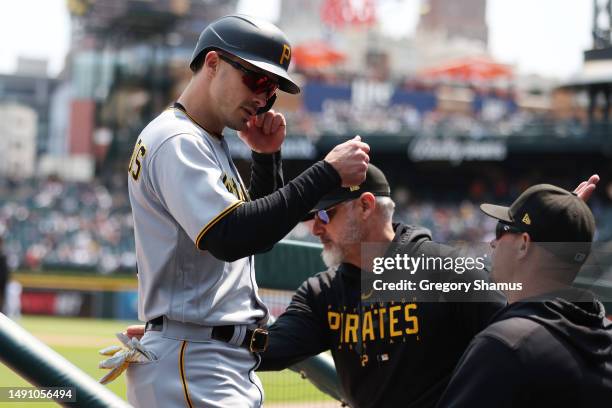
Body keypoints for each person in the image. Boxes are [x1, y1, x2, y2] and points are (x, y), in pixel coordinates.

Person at [125, 14, 369, 408]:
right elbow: (232, 237)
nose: (263, 98)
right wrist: (326, 173)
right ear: (213, 62)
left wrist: (266, 160)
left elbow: (255, 233)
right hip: (193, 361)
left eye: (272, 90)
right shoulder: (177, 139)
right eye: (256, 80)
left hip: (205, 355)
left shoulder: (204, 139)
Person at [437, 183, 612, 407]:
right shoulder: (602, 337)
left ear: (524, 244)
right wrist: (567, 221)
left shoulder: (504, 346)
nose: (492, 242)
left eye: (502, 230)